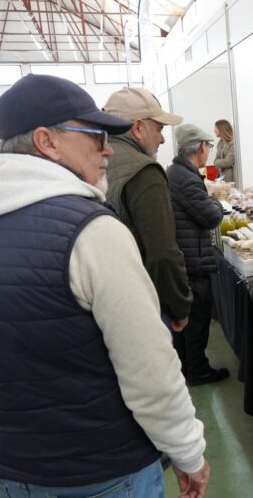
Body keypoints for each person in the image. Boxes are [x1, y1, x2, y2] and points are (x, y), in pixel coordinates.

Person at [0, 74, 210, 497]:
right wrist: (188, 452)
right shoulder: (90, 232)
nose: (105, 149)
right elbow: (149, 370)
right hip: (105, 470)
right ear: (47, 141)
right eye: (94, 135)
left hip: (10, 469)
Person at [103, 87, 194, 338]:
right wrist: (179, 306)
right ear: (138, 127)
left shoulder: (97, 160)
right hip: (144, 301)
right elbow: (163, 252)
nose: (162, 140)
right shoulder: (144, 172)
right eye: (159, 129)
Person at [166, 124, 229, 386]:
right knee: (197, 321)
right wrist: (215, 202)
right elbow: (212, 216)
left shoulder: (178, 172)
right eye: (208, 146)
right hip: (193, 260)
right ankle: (198, 371)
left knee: (187, 323)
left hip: (187, 256)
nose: (209, 151)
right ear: (200, 148)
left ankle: (187, 368)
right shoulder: (187, 178)